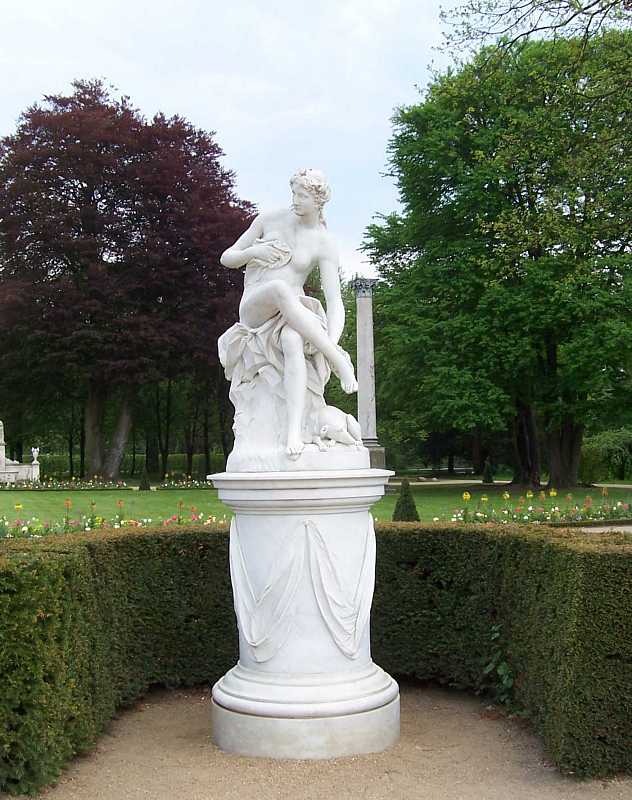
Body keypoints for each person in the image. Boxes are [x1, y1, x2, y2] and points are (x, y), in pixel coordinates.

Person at [219, 168, 357, 457]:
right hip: (256, 307)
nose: (295, 200)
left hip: (293, 314)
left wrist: (332, 338)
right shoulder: (269, 219)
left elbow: (335, 302)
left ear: (318, 201)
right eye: (294, 193)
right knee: (280, 288)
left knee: (293, 340)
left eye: (302, 196)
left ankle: (294, 431)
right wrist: (253, 253)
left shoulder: (324, 242)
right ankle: (337, 360)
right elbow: (227, 257)